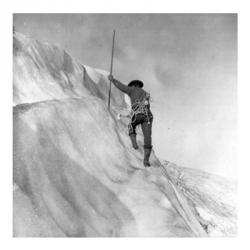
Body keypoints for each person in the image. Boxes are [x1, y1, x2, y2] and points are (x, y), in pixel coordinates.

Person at [108, 75, 153, 167]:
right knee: (147, 136)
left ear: (133, 85)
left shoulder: (132, 90)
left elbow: (122, 87)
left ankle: (134, 143)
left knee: (131, 125)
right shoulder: (146, 94)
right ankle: (146, 160)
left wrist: (113, 80)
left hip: (138, 114)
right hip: (148, 116)